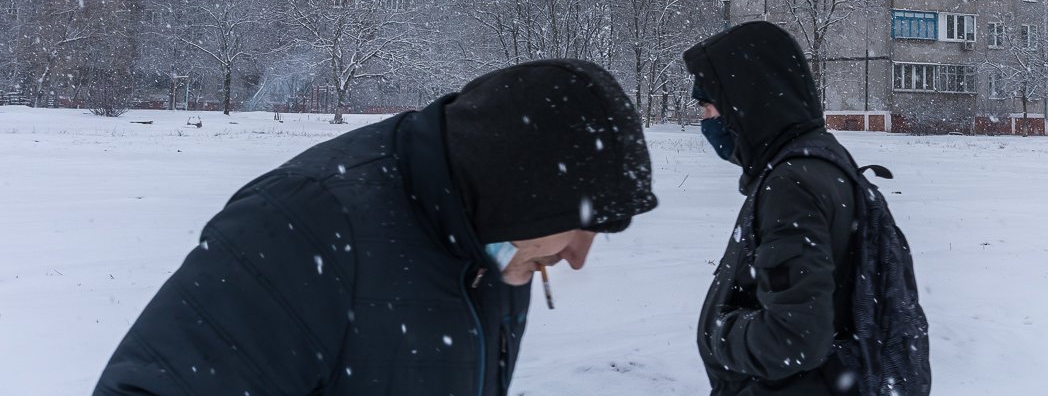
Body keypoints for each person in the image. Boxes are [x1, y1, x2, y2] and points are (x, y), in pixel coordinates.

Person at [94, 60, 657, 396]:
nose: (580, 257)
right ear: (525, 186)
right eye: (583, 226)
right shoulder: (305, 221)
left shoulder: (487, 242)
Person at [684, 20, 861, 396]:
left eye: (708, 105)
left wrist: (718, 333)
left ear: (743, 103)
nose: (705, 120)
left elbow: (793, 340)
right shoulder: (820, 160)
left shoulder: (791, 185)